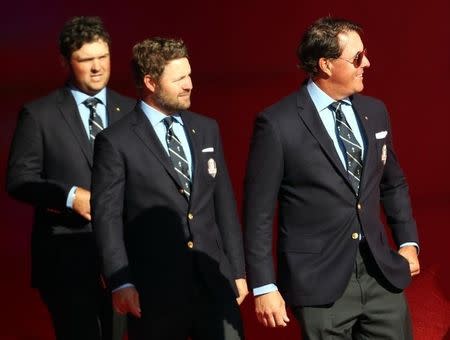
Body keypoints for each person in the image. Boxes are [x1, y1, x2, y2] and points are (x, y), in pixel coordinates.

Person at [244, 17, 420, 339]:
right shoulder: (277, 123)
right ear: (325, 65)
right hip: (318, 282)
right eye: (356, 58)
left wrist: (408, 242)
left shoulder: (375, 111)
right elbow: (258, 214)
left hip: (380, 274)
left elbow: (393, 183)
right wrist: (264, 285)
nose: (367, 63)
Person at [91, 37, 248, 340]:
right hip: (155, 291)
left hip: (214, 283)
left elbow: (223, 204)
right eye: (179, 79)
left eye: (189, 75)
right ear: (150, 82)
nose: (190, 84)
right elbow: (107, 217)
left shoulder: (206, 129)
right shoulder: (116, 141)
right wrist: (121, 282)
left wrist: (237, 271)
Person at [6, 16, 135, 340]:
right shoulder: (39, 114)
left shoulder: (131, 110)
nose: (97, 67)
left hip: (127, 254)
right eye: (85, 59)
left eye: (102, 57)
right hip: (67, 257)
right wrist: (69, 196)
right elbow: (20, 179)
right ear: (64, 61)